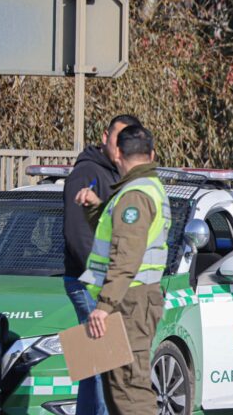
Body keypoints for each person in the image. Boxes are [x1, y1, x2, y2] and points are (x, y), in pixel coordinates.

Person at [75, 125, 171, 415]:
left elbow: (125, 256)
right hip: (129, 301)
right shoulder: (142, 189)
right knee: (116, 387)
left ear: (117, 152)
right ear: (152, 154)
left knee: (129, 391)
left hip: (127, 303)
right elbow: (121, 236)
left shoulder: (135, 194)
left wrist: (103, 307)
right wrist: (97, 209)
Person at [62, 114, 140, 415]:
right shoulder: (89, 173)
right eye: (116, 139)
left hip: (94, 280)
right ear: (105, 136)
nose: (120, 147)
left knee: (94, 365)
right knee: (106, 364)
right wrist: (103, 279)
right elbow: (77, 233)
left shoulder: (112, 174)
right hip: (89, 282)